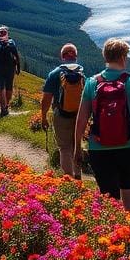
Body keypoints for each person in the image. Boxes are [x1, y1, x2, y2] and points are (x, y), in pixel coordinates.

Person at [74, 38, 130, 210]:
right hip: (128, 145)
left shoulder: (92, 83)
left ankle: (112, 233)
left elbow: (81, 118)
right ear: (123, 57)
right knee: (129, 190)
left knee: (108, 196)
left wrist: (77, 147)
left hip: (98, 147)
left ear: (106, 57)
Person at [40, 42, 84, 177]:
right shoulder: (82, 73)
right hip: (78, 115)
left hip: (61, 115)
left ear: (62, 56)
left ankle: (68, 179)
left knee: (64, 148)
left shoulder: (55, 73)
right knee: (77, 145)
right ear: (75, 56)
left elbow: (46, 99)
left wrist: (43, 117)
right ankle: (78, 175)